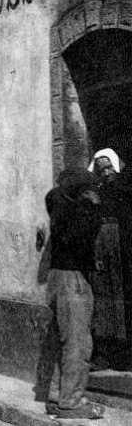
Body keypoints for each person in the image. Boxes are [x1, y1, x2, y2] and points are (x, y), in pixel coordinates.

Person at [37, 167, 105, 420]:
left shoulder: (57, 203)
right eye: (89, 188)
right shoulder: (76, 209)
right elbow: (82, 238)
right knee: (78, 343)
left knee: (60, 342)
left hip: (57, 278)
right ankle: (71, 402)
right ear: (80, 190)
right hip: (73, 278)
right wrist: (94, 209)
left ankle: (56, 396)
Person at [85, 148, 132, 370]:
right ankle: (106, 353)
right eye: (101, 169)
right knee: (104, 302)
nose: (106, 173)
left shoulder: (125, 190)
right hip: (103, 250)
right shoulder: (94, 193)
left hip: (124, 252)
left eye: (109, 167)